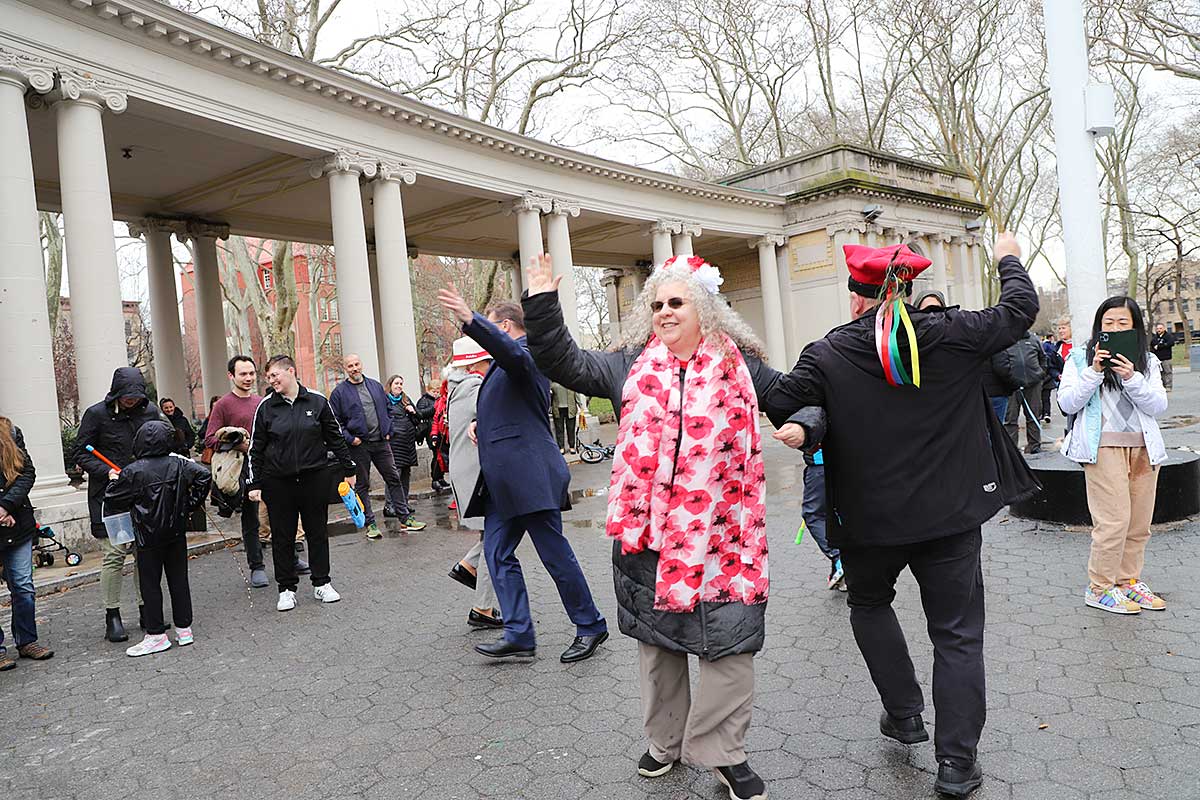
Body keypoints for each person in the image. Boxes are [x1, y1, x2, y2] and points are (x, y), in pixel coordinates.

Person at [520, 253, 823, 800]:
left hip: (724, 540)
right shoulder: (628, 365)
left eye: (676, 302)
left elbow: (802, 400)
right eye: (657, 303)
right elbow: (564, 361)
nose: (664, 311)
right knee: (659, 650)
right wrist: (542, 304)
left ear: (703, 308)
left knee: (731, 648)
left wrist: (804, 425)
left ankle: (724, 753)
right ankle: (665, 742)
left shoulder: (741, 366)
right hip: (651, 540)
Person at [770, 234, 1038, 798]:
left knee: (869, 605)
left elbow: (781, 398)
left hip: (869, 523)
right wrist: (1007, 257)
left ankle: (904, 712)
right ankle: (957, 764)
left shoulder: (827, 353)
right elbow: (1019, 309)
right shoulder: (952, 332)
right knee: (956, 635)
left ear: (855, 297)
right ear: (908, 291)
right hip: (951, 517)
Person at [436, 285, 609, 666]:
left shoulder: (527, 353)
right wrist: (481, 423)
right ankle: (519, 634)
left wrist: (469, 318)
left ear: (505, 327)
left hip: (530, 478)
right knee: (496, 553)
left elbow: (511, 354)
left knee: (555, 556)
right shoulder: (504, 365)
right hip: (504, 485)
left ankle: (590, 625)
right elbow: (512, 408)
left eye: (491, 327)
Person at [1058, 297, 1169, 615]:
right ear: (1099, 326)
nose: (1116, 328)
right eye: (1109, 323)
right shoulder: (1079, 358)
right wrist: (1094, 371)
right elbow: (1067, 403)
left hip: (1144, 448)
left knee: (1139, 523)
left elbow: (1158, 406)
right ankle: (1100, 587)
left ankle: (1128, 581)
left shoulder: (1147, 360)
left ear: (1135, 327)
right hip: (1102, 447)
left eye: (1123, 323)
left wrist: (1132, 377)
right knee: (1113, 521)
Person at [246, 355, 356, 612]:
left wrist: (349, 469)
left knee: (317, 532)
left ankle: (322, 582)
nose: (272, 381)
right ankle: (286, 589)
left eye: (275, 375)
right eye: (269, 377)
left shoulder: (317, 401)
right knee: (282, 536)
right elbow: (256, 448)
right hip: (278, 482)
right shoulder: (266, 407)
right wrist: (254, 483)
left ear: (291, 371)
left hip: (314, 478)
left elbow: (335, 437)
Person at [103, 421, 211, 657]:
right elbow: (204, 475)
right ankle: (184, 630)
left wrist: (113, 479)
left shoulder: (134, 471)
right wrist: (189, 505)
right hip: (175, 532)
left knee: (150, 585)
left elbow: (112, 497)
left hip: (148, 536)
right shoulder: (179, 464)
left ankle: (156, 635)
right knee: (179, 580)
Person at [74, 367, 164, 642]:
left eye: (136, 397)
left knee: (143, 554)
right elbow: (80, 452)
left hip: (142, 495)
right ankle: (112, 615)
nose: (131, 401)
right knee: (114, 555)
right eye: (126, 397)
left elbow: (160, 443)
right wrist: (106, 471)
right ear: (116, 393)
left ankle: (147, 609)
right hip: (109, 497)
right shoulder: (96, 414)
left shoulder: (149, 411)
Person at [444, 336, 502, 629]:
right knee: (495, 539)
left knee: (492, 536)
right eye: (488, 361)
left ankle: (468, 565)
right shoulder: (473, 387)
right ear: (474, 365)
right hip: (476, 474)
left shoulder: (458, 388)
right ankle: (482, 608)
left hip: (468, 472)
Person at [329, 354, 411, 540]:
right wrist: (350, 439)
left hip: (381, 442)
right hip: (359, 446)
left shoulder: (375, 386)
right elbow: (335, 422)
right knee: (363, 485)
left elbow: (388, 409)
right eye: (350, 366)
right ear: (345, 369)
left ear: (361, 365)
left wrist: (388, 430)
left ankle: (405, 517)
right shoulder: (339, 393)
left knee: (393, 478)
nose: (354, 368)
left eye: (356, 364)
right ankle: (370, 523)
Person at [0, 418, 54, 669]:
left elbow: (27, 473)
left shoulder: (10, 431)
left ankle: (27, 641)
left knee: (23, 587)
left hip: (17, 525)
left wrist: (5, 506)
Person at [382, 375, 427, 532]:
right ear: (390, 385)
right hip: (394, 443)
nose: (399, 386)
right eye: (396, 383)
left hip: (408, 444)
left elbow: (418, 418)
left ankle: (403, 503)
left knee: (406, 474)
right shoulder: (385, 401)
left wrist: (413, 412)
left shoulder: (405, 400)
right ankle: (390, 505)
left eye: (401, 383)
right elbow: (383, 419)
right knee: (394, 474)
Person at [802, 448, 844, 591]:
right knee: (837, 514)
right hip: (848, 464)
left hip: (821, 464)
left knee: (813, 515)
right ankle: (841, 569)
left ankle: (840, 558)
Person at [1001, 331, 1047, 454]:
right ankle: (1011, 450)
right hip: (1011, 386)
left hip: (1033, 385)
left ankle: (1034, 446)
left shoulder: (1034, 339)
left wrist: (1041, 374)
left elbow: (1043, 358)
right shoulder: (1005, 339)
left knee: (1034, 416)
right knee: (1010, 419)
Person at [551, 383, 581, 454]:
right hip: (557, 409)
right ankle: (561, 447)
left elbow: (576, 394)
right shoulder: (553, 384)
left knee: (571, 428)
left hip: (571, 409)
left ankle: (571, 446)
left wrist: (580, 405)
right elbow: (550, 396)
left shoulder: (571, 383)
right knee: (559, 429)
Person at [1041, 335, 1064, 425]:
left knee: (1042, 398)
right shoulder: (1052, 347)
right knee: (1046, 398)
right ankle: (1046, 414)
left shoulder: (1047, 348)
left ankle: (1043, 414)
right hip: (1048, 379)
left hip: (1045, 379)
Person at [1151, 322, 1175, 392]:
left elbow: (1171, 343)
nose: (1159, 330)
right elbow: (1153, 344)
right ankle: (1163, 386)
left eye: (1160, 328)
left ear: (1164, 328)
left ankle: (1168, 386)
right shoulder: (1155, 337)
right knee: (1160, 373)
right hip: (1158, 359)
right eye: (1157, 328)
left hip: (1166, 358)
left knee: (1167, 372)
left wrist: (1160, 346)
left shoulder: (1168, 336)